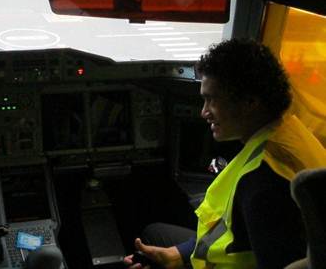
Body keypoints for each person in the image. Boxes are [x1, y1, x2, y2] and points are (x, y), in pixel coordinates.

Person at [124, 38, 326, 269]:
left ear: (249, 102)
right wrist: (175, 255)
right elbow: (235, 234)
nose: (204, 112)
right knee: (156, 233)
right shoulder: (289, 132)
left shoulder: (262, 185)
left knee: (151, 231)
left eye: (211, 100)